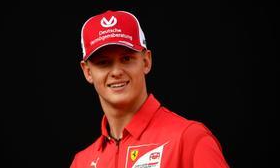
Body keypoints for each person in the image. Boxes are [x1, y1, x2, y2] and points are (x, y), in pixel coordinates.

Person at [71, 10, 229, 168]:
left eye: (126, 59)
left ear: (146, 61)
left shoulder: (189, 139)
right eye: (103, 62)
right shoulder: (82, 162)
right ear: (88, 72)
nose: (116, 72)